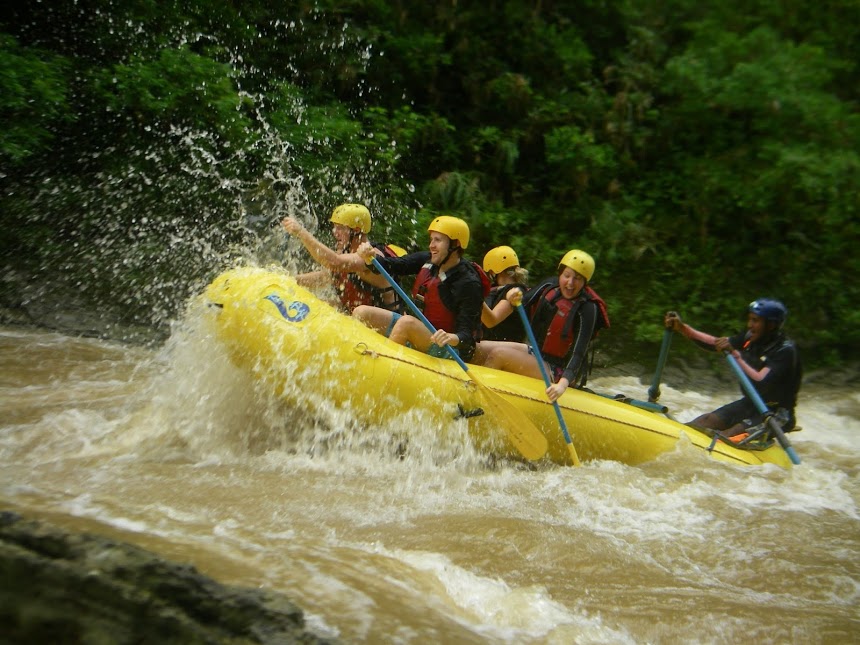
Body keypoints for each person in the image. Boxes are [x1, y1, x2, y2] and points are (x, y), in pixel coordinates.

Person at [339, 215, 486, 362]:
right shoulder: (428, 260)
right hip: (424, 332)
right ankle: (351, 358)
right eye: (432, 239)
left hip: (451, 349)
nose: (431, 245)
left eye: (438, 240)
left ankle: (380, 366)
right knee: (362, 312)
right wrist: (371, 258)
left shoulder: (469, 283)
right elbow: (394, 265)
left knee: (406, 323)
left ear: (456, 244)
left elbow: (467, 337)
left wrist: (451, 337)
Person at [477, 250, 610, 402]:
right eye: (567, 276)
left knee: (498, 354)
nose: (570, 283)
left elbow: (578, 354)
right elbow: (522, 302)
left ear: (585, 282)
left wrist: (562, 385)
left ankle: (480, 401)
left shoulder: (587, 308)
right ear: (560, 274)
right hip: (536, 354)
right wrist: (511, 296)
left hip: (557, 371)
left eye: (577, 279)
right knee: (480, 347)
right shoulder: (550, 286)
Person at [664, 299, 802, 439]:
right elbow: (715, 343)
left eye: (755, 321)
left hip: (776, 412)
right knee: (704, 422)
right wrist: (682, 328)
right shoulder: (750, 337)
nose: (750, 325)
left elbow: (761, 380)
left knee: (728, 436)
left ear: (771, 325)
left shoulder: (785, 351)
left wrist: (735, 354)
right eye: (749, 319)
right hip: (751, 403)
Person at [282, 203, 405, 313]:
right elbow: (324, 277)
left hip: (385, 329)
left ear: (356, 230)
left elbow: (334, 262)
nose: (335, 232)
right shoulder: (346, 251)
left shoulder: (370, 256)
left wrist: (301, 232)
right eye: (334, 227)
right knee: (316, 302)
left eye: (340, 228)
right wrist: (289, 280)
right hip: (356, 315)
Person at [480, 246, 529, 342]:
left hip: (507, 348)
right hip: (494, 346)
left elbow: (491, 321)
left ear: (493, 272)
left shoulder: (515, 291)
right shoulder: (497, 290)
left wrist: (473, 296)